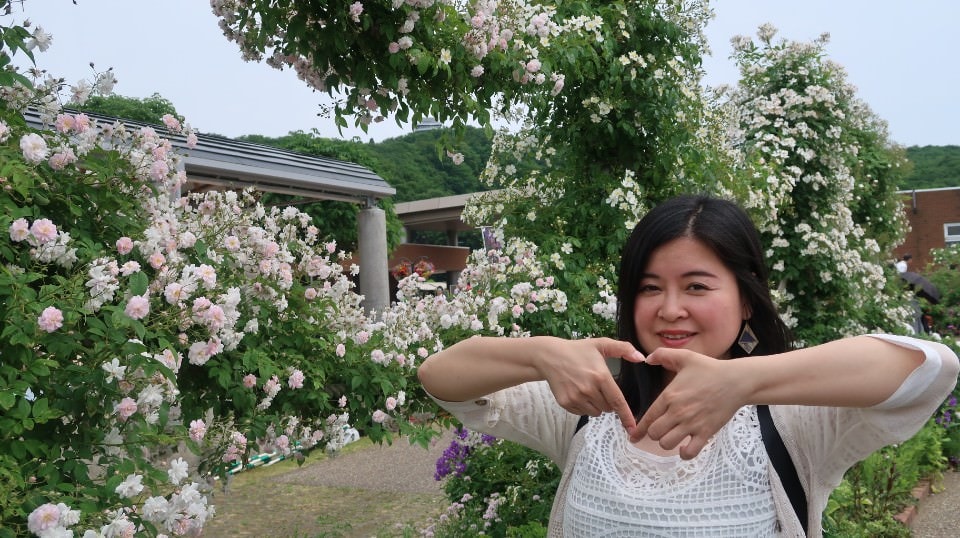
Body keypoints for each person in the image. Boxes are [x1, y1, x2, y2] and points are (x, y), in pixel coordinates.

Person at [417, 194, 959, 537]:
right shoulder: (595, 405)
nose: (670, 308)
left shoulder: (790, 418)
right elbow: (440, 377)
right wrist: (538, 351)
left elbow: (931, 367)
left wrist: (743, 380)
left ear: (746, 300)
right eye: (649, 288)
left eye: (697, 286)